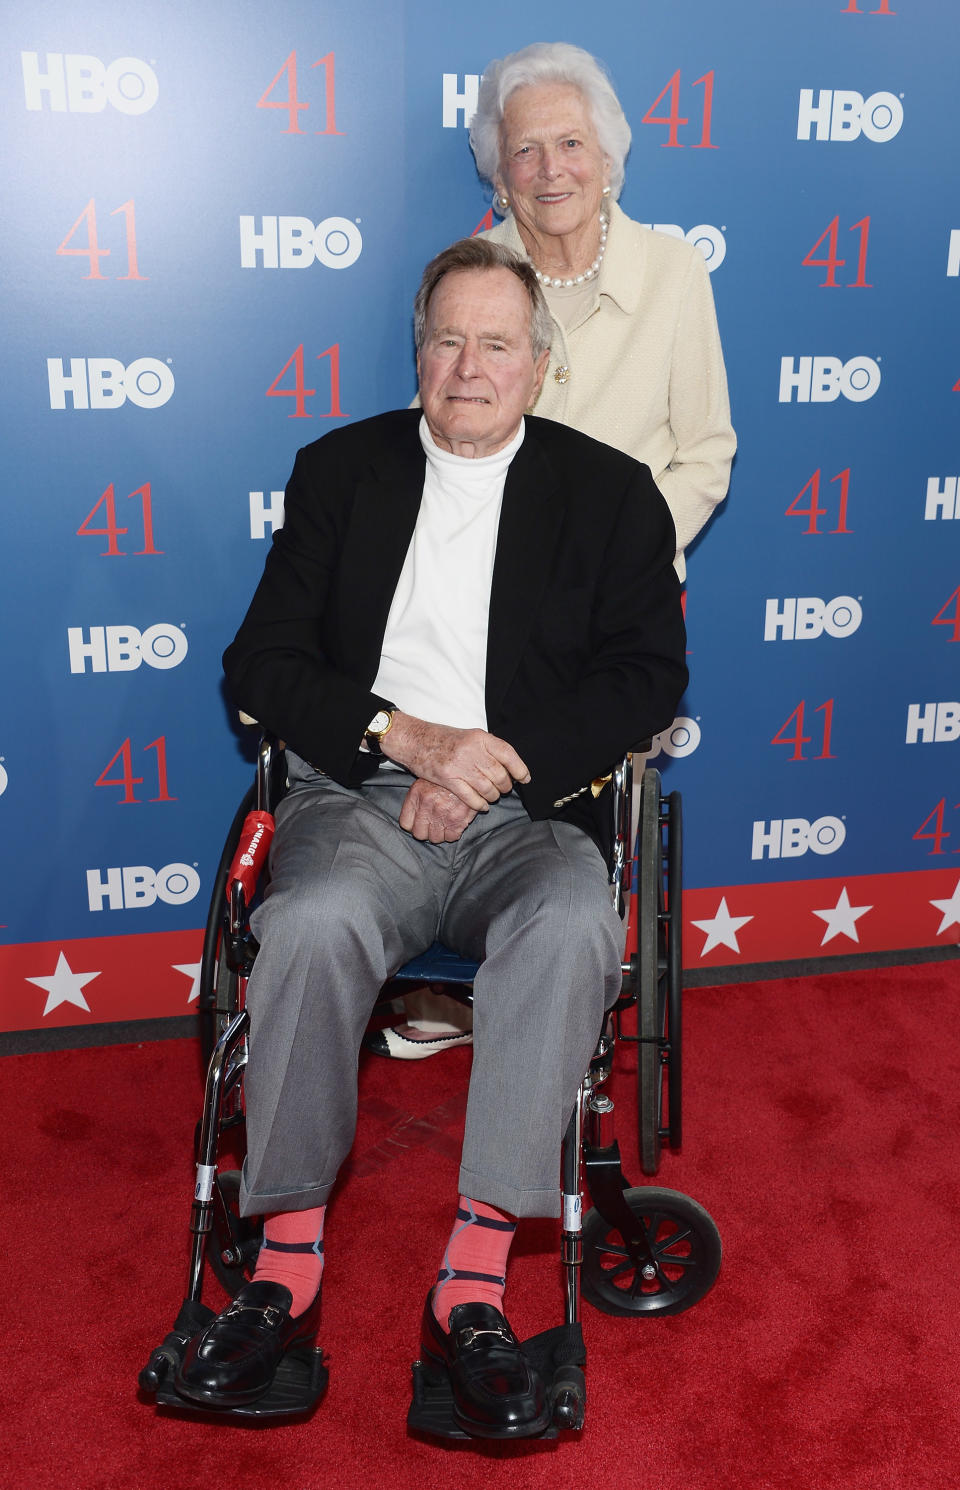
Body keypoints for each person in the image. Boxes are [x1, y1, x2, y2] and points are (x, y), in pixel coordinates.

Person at [173, 237, 688, 1437]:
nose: (469, 366)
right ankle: (284, 1262)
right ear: (419, 355)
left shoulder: (611, 494)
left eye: (495, 343)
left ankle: (474, 1273)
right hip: (360, 800)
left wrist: (489, 757)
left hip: (530, 812)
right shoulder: (340, 471)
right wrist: (406, 739)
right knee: (307, 917)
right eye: (448, 340)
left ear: (539, 365)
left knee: (570, 922)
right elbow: (264, 662)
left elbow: (646, 675)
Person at [373, 40, 735, 1061]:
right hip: (484, 586)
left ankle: (544, 969)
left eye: (570, 142)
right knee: (447, 734)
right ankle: (456, 974)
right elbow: (435, 432)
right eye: (524, 150)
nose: (550, 169)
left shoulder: (672, 268)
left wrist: (615, 563)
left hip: (621, 593)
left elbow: (704, 452)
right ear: (499, 169)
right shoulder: (474, 272)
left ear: (609, 155)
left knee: (572, 759)